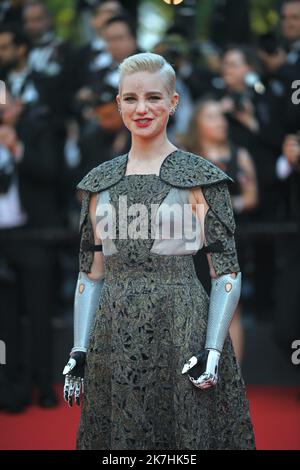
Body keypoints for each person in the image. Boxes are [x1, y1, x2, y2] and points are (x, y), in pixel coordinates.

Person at [62, 52, 255, 450]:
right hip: (113, 333)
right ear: (118, 104)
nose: (142, 108)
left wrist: (212, 349)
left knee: (184, 436)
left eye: (153, 97)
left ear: (173, 102)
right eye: (130, 99)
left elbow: (227, 272)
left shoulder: (200, 178)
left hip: (182, 325)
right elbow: (90, 274)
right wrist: (80, 350)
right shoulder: (98, 183)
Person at [183, 97, 258, 362]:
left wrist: (226, 205)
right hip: (192, 244)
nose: (220, 122)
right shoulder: (186, 158)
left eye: (221, 116)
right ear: (197, 123)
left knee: (231, 308)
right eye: (212, 117)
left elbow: (251, 196)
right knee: (195, 305)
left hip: (229, 240)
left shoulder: (239, 154)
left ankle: (234, 375)